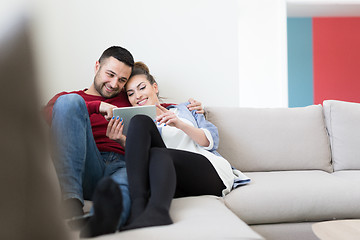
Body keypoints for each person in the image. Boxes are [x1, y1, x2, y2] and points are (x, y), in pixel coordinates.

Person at [43, 47, 204, 237]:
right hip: (87, 164)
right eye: (110, 74)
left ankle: (101, 221)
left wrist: (191, 108)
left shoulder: (129, 98)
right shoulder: (70, 99)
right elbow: (43, 117)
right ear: (97, 66)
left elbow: (159, 108)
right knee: (70, 102)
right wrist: (97, 106)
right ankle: (71, 205)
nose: (113, 84)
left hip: (124, 162)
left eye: (122, 80)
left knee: (126, 181)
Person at [92, 61, 249, 233]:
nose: (137, 96)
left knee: (160, 154)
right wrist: (122, 140)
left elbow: (210, 141)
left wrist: (180, 124)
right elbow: (142, 160)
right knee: (143, 126)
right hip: (171, 177)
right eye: (130, 93)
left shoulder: (184, 110)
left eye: (142, 88)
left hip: (210, 172)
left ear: (155, 87)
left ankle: (156, 212)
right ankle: (139, 210)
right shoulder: (141, 127)